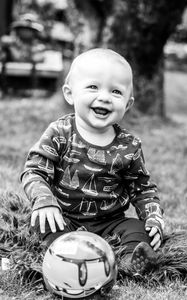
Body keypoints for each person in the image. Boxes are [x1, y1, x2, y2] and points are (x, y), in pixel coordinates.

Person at [21, 48, 164, 275]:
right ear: (70, 94)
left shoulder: (129, 145)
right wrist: (45, 201)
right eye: (93, 87)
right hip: (65, 217)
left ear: (127, 104)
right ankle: (63, 254)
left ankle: (129, 261)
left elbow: (143, 188)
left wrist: (153, 218)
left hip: (111, 222)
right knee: (42, 224)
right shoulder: (60, 132)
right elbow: (34, 172)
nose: (105, 97)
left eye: (116, 91)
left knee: (137, 230)